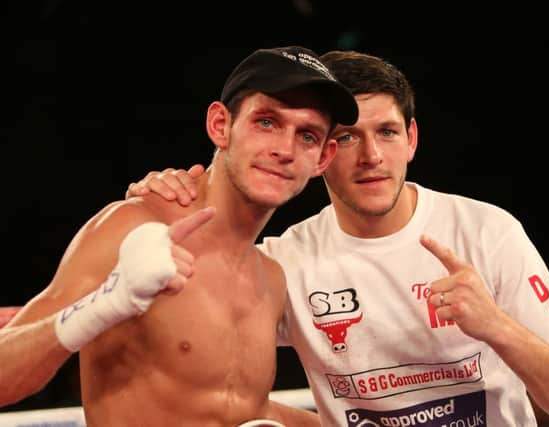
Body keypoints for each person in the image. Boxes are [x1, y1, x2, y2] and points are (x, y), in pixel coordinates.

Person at [127, 50, 549, 426]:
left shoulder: (486, 232)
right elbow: (200, 388)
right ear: (321, 153)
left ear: (411, 139)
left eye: (388, 132)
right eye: (351, 138)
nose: (372, 156)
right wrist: (154, 209)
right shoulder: (283, 264)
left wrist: (499, 328)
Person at [1, 46, 360, 426]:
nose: (284, 150)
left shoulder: (270, 277)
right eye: (266, 122)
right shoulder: (134, 227)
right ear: (221, 126)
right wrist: (106, 303)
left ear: (322, 158)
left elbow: (234, 408)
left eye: (306, 136)